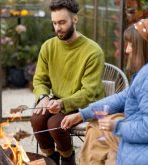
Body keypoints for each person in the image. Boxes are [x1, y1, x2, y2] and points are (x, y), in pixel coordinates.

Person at [61, 18, 148, 165]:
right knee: (97, 127)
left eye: (131, 44)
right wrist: (82, 114)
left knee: (96, 129)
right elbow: (122, 98)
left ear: (143, 46)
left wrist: (117, 126)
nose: (127, 50)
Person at [30, 0, 105, 164]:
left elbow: (89, 92)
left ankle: (67, 158)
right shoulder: (48, 46)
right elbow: (40, 80)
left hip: (84, 104)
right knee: (36, 119)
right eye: (54, 23)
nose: (57, 28)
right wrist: (43, 97)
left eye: (62, 22)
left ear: (75, 20)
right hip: (58, 101)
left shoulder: (93, 51)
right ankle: (50, 159)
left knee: (55, 123)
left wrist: (63, 103)